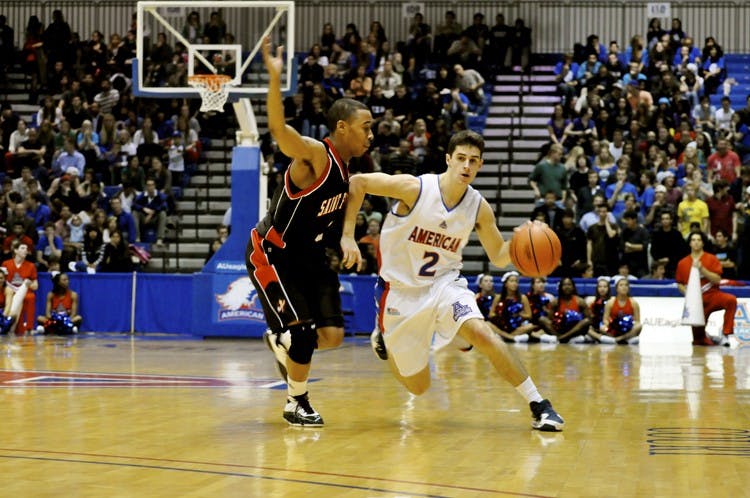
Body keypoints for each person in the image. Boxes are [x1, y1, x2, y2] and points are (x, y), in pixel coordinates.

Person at [340, 130, 564, 432]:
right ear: (448, 159)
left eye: (473, 160)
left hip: (445, 284)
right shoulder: (415, 189)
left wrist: (522, 243)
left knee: (482, 334)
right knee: (418, 387)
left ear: (480, 165)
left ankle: (539, 405)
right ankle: (384, 339)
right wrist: (347, 236)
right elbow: (358, 182)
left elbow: (498, 255)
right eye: (460, 158)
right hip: (400, 294)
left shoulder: (478, 206)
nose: (466, 166)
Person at [246, 37, 374, 427]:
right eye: (365, 127)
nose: (371, 135)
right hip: (274, 255)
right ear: (342, 127)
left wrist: (348, 236)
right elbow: (279, 130)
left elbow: (355, 196)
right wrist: (273, 78)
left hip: (312, 259)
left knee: (332, 336)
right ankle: (295, 403)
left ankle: (281, 341)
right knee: (302, 337)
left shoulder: (348, 173)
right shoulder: (317, 156)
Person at [675, 231, 737, 346]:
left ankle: (726, 334)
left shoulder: (712, 259)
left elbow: (717, 280)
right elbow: (679, 283)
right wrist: (687, 295)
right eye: (693, 240)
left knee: (731, 300)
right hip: (696, 303)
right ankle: (709, 337)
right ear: (689, 243)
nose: (696, 242)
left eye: (699, 240)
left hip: (713, 295)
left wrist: (702, 269)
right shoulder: (682, 263)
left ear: (703, 243)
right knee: (699, 341)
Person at [487, 271, 537, 343]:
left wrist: (518, 315)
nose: (515, 283)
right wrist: (502, 315)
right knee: (487, 324)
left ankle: (504, 337)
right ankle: (512, 338)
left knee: (530, 326)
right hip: (501, 325)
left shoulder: (523, 297)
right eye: (512, 281)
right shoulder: (498, 297)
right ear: (506, 284)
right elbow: (491, 314)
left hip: (516, 326)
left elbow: (529, 315)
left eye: (516, 281)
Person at [590, 277, 642, 345]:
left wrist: (630, 325)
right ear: (616, 288)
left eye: (626, 285)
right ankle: (623, 340)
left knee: (639, 326)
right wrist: (608, 325)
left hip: (627, 330)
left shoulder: (634, 303)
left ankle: (618, 339)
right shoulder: (610, 302)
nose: (624, 287)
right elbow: (605, 319)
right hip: (613, 329)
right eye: (621, 285)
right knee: (601, 328)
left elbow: (637, 321)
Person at [1, 240, 38, 334]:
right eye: (22, 248)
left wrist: (29, 284)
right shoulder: (6, 264)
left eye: (26, 249)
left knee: (31, 297)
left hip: (24, 291)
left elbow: (35, 286)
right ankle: (9, 323)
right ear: (16, 250)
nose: (25, 250)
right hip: (9, 290)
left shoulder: (31, 265)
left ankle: (29, 328)